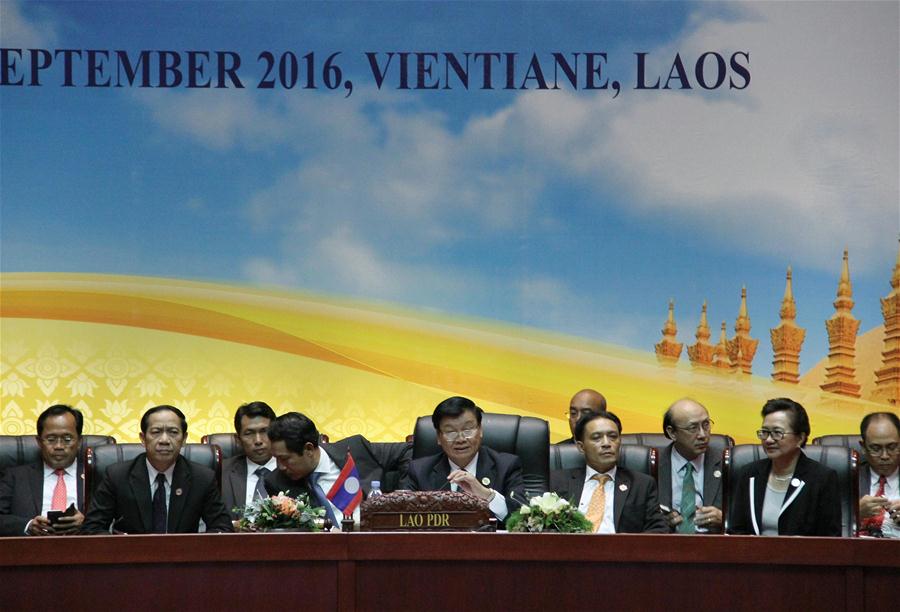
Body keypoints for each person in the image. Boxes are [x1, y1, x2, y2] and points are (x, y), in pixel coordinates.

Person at [82, 405, 232, 534]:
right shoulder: (117, 476)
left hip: (184, 556)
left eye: (173, 432)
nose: (164, 440)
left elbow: (222, 528)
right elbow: (92, 528)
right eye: (156, 432)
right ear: (143, 438)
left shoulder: (202, 478)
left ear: (184, 439)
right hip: (131, 556)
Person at [265, 411, 410, 530]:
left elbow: (407, 450)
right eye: (276, 458)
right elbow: (296, 527)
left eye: (284, 459)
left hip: (378, 540)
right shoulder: (276, 482)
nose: (280, 466)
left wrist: (404, 497)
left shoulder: (356, 449)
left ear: (308, 449)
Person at [399, 396, 526, 523]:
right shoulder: (419, 470)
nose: (460, 439)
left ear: (480, 430)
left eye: (467, 430)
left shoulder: (506, 466)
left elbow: (522, 520)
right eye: (450, 432)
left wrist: (487, 495)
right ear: (438, 437)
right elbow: (401, 518)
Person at [728, 398, 841, 536]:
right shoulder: (749, 474)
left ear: (800, 438)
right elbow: (736, 531)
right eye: (764, 432)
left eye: (777, 433)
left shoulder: (822, 478)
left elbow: (830, 539)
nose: (768, 440)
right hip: (753, 550)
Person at [550, 410, 668, 533]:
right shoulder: (557, 481)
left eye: (613, 437)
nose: (606, 443)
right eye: (596, 438)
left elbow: (658, 530)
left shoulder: (642, 484)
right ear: (581, 446)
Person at [0, 405, 87, 536]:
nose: (59, 446)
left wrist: (86, 523)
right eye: (51, 439)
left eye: (67, 439)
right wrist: (27, 525)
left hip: (84, 546)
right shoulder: (15, 477)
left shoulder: (96, 477)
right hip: (30, 546)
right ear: (39, 442)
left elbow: (112, 521)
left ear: (79, 441)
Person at [658, 398, 724, 533]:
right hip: (666, 542)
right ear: (672, 433)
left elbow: (744, 519)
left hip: (712, 542)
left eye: (706, 424)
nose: (703, 434)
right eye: (693, 428)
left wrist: (723, 518)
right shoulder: (650, 465)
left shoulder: (727, 464)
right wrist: (658, 521)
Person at [220, 401, 278, 520]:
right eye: (249, 433)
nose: (258, 440)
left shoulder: (294, 469)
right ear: (238, 439)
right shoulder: (220, 473)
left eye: (264, 431)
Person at [857, 412, 900, 537]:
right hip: (856, 547)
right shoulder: (846, 478)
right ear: (863, 447)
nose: (884, 456)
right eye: (876, 448)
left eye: (892, 447)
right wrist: (855, 513)